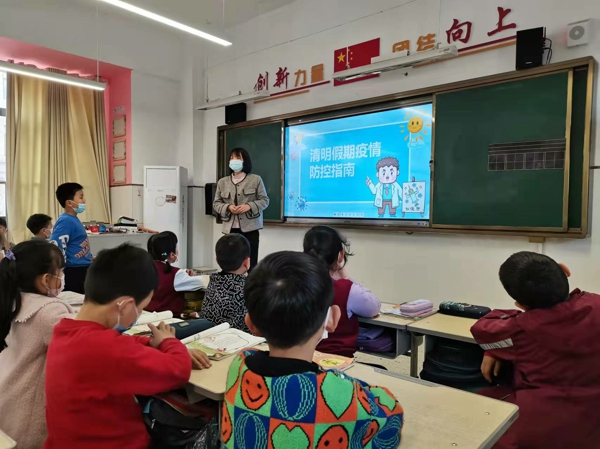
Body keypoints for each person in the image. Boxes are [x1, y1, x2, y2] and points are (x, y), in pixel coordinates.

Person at [223, 251, 403, 449]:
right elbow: (392, 417)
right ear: (332, 319)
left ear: (250, 323)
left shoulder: (239, 365)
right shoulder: (340, 395)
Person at [44, 244, 211, 449]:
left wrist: (151, 343)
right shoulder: (105, 348)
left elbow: (121, 343)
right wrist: (169, 342)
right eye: (141, 308)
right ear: (126, 306)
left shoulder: (65, 331)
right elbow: (178, 370)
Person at [471, 251, 600, 449]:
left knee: (472, 410)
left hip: (542, 428)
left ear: (520, 305)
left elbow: (483, 329)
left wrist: (493, 350)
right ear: (566, 271)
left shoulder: (520, 328)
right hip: (593, 423)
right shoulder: (596, 303)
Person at [0, 240, 72, 448]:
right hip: (29, 411)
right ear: (46, 279)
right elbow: (81, 350)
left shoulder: (14, 297)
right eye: (61, 271)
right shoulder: (49, 310)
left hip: (10, 395)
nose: (62, 277)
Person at [303, 225, 381, 357]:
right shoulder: (347, 289)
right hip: (336, 361)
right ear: (340, 255)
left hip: (300, 358)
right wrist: (347, 279)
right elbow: (374, 308)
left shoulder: (293, 283)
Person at [213, 147, 269, 270]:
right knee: (231, 263)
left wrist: (249, 206)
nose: (234, 160)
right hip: (230, 229)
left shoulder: (255, 179)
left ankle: (250, 282)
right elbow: (216, 203)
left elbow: (265, 201)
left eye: (237, 158)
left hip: (251, 229)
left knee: (251, 263)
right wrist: (228, 207)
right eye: (231, 158)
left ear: (245, 161)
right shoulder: (222, 182)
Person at [147, 231, 207, 317]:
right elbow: (202, 282)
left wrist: (183, 273)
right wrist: (187, 275)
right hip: (167, 320)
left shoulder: (144, 268)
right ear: (172, 254)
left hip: (146, 316)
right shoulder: (176, 274)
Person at [200, 234, 251, 332]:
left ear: (217, 261)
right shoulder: (249, 287)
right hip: (238, 338)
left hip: (208, 335)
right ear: (247, 262)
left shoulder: (213, 281)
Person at [50, 183, 92, 294]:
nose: (84, 201)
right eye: (81, 197)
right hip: (74, 271)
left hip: (83, 267)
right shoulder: (66, 221)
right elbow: (56, 246)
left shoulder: (73, 219)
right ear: (69, 203)